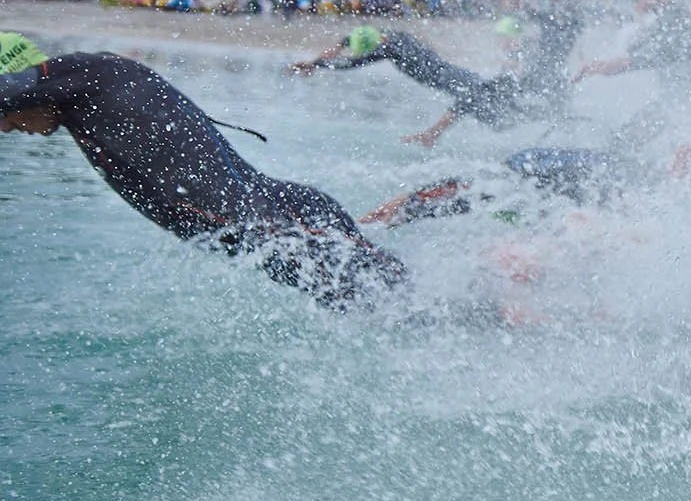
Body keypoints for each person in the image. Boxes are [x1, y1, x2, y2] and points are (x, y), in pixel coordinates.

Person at [0, 35, 405, 308]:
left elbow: (14, 87)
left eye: (5, 115)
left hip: (283, 225)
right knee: (384, 314)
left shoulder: (88, 75)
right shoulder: (82, 109)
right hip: (267, 237)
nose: (5, 126)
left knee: (403, 306)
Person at [292, 18, 564, 148]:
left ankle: (555, 122)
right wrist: (316, 62)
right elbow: (348, 43)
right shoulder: (390, 36)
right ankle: (556, 121)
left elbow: (351, 62)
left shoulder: (393, 47)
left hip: (462, 83)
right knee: (505, 118)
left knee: (501, 119)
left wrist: (435, 131)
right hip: (463, 79)